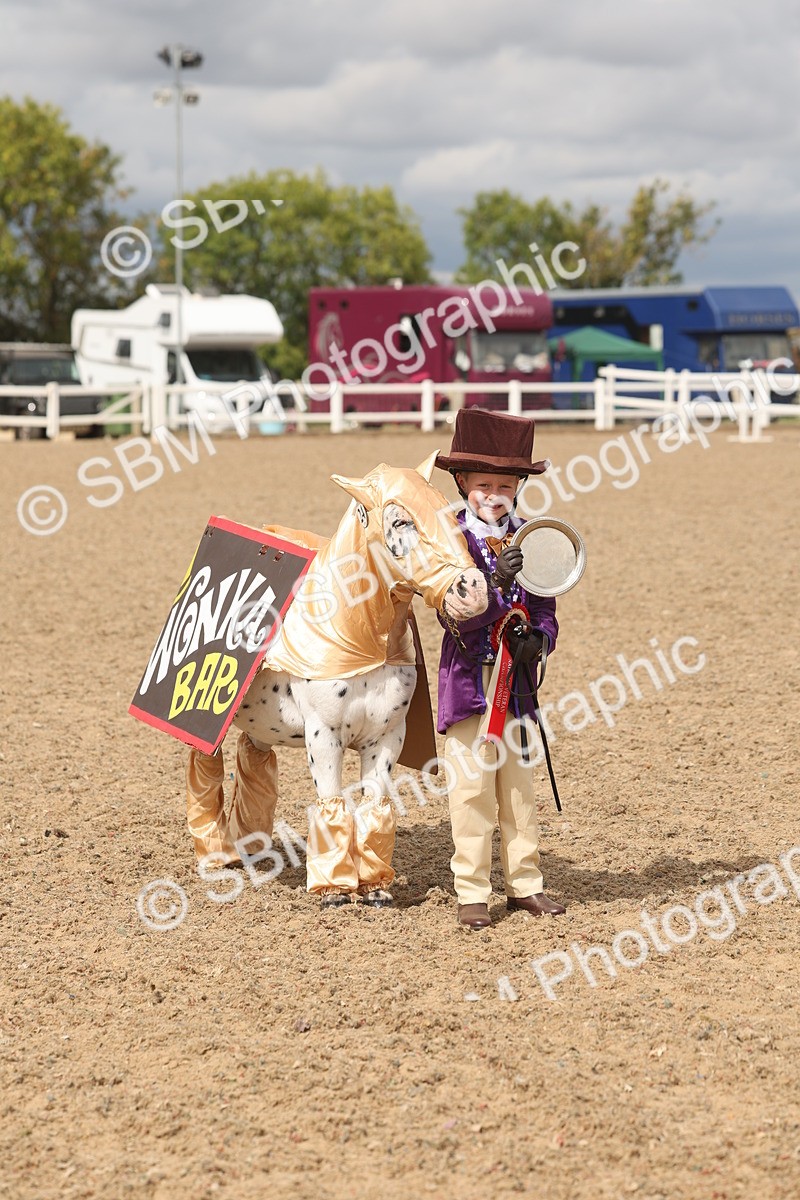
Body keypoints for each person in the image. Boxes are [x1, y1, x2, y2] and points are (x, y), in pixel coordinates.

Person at [435, 409, 566, 930]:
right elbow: (450, 611)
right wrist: (493, 586)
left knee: (517, 788)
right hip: (470, 680)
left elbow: (545, 607)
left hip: (517, 685)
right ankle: (471, 890)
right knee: (470, 789)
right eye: (484, 485)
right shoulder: (449, 540)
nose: (494, 495)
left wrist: (539, 640)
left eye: (505, 486)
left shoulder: (534, 537)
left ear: (519, 487)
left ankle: (525, 884)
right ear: (462, 482)